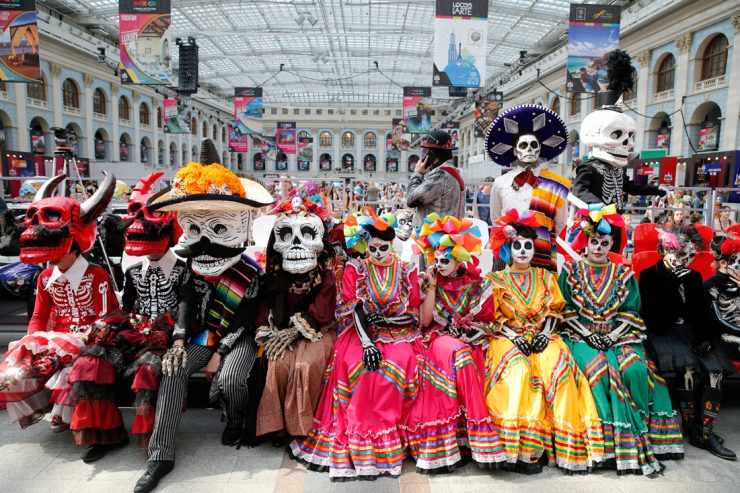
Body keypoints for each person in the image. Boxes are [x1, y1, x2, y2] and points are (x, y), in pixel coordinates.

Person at [134, 140, 276, 493]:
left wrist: (219, 353)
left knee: (230, 380)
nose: (200, 244)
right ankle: (160, 455)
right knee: (172, 367)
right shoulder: (191, 268)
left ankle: (236, 416)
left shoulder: (250, 274)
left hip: (236, 336)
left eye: (218, 228)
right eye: (193, 230)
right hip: (202, 334)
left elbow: (244, 318)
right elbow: (184, 301)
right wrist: (180, 339)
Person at [290, 209, 423, 480]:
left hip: (399, 332)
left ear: (393, 245)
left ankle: (388, 441)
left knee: (399, 364)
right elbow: (354, 307)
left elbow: (413, 312)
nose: (377, 252)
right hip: (359, 333)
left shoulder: (406, 269)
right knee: (360, 367)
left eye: (383, 247)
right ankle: (360, 439)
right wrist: (367, 344)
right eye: (372, 247)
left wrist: (389, 321)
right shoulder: (356, 268)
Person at [0, 173, 121, 463]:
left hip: (94, 339)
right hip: (56, 339)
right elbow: (39, 319)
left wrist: (73, 346)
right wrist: (31, 346)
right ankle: (61, 413)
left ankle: (98, 431)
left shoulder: (96, 275)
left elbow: (108, 318)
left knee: (82, 366)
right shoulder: (44, 278)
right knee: (16, 361)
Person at [559, 205, 684, 476]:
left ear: (612, 243)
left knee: (637, 369)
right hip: (580, 334)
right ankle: (604, 445)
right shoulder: (570, 271)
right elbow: (564, 310)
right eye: (594, 241)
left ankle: (635, 432)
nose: (599, 247)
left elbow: (630, 309)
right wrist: (588, 334)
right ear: (586, 241)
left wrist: (613, 335)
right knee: (598, 372)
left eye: (605, 243)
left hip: (619, 334)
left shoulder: (623, 274)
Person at [483, 210, 605, 473]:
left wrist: (544, 333)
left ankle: (565, 449)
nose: (524, 251)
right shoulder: (495, 280)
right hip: (506, 337)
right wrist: (514, 336)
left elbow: (555, 311)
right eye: (518, 245)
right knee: (518, 373)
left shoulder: (546, 277)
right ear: (508, 248)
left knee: (559, 369)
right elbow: (489, 318)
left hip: (542, 336)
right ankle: (515, 452)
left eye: (529, 245)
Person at [408, 214, 506, 472]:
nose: (440, 265)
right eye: (437, 260)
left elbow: (486, 320)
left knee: (474, 356)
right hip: (439, 339)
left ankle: (469, 438)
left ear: (460, 258)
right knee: (461, 354)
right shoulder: (431, 281)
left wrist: (468, 333)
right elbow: (426, 321)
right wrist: (430, 288)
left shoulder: (475, 284)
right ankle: (477, 435)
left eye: (446, 260)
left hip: (472, 340)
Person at [639, 226, 736, 462]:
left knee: (715, 371)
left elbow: (698, 313)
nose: (684, 260)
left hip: (689, 332)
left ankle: (705, 431)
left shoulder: (693, 277)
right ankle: (691, 425)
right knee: (688, 369)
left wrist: (703, 338)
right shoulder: (649, 275)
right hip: (663, 332)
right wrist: (671, 282)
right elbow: (654, 319)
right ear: (663, 250)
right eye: (678, 253)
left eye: (689, 255)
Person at [251, 184, 337, 444]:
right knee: (276, 365)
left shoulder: (326, 275)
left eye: (307, 234)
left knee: (305, 366)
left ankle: (302, 428)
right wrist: (274, 332)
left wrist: (293, 331)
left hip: (317, 330)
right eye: (288, 235)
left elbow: (322, 312)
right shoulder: (276, 274)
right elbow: (265, 305)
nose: (297, 243)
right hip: (281, 329)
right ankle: (277, 427)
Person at [118, 172, 188, 448]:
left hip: (167, 339)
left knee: (148, 368)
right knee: (91, 363)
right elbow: (127, 308)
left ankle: (152, 434)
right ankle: (104, 430)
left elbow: (185, 306)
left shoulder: (182, 270)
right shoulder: (134, 270)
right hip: (136, 337)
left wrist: (176, 336)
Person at [573, 51, 665, 214]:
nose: (629, 144)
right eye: (617, 135)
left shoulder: (617, 169)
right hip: (596, 223)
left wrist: (658, 190)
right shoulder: (588, 167)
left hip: (617, 221)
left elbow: (632, 188)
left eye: (630, 136)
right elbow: (579, 191)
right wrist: (601, 208)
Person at [486, 105, 571, 271]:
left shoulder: (554, 184)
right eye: (523, 145)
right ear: (516, 151)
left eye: (534, 144)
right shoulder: (500, 182)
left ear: (540, 149)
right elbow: (496, 218)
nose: (530, 149)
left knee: (541, 293)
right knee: (504, 290)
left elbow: (560, 222)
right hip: (508, 247)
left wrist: (542, 237)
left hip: (542, 248)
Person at [406, 130, 464, 227]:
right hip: (447, 234)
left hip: (433, 236)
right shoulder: (454, 172)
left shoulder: (440, 175)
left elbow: (411, 199)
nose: (424, 155)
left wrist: (418, 173)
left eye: (427, 151)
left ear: (432, 153)